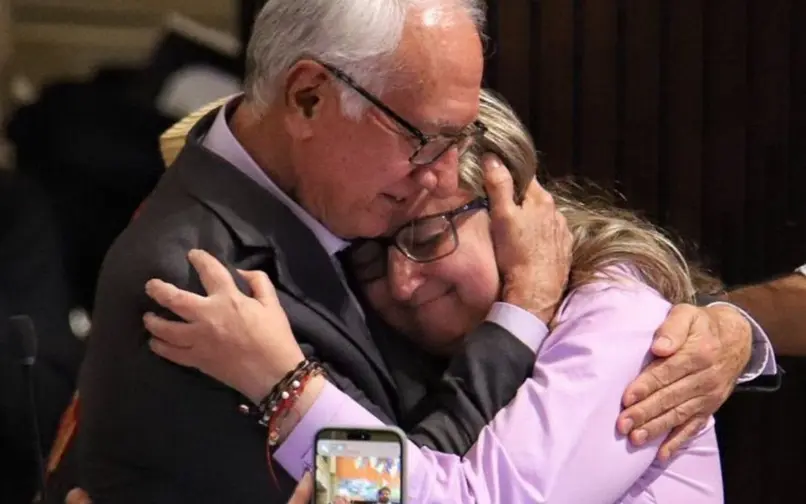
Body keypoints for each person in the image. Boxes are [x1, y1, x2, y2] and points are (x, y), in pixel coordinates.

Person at [66, 2, 774, 502]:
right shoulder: (204, 281)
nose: (401, 282)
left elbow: (466, 494)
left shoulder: (615, 317)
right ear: (308, 99)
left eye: (430, 234)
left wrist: (285, 388)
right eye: (374, 256)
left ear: (519, 214)